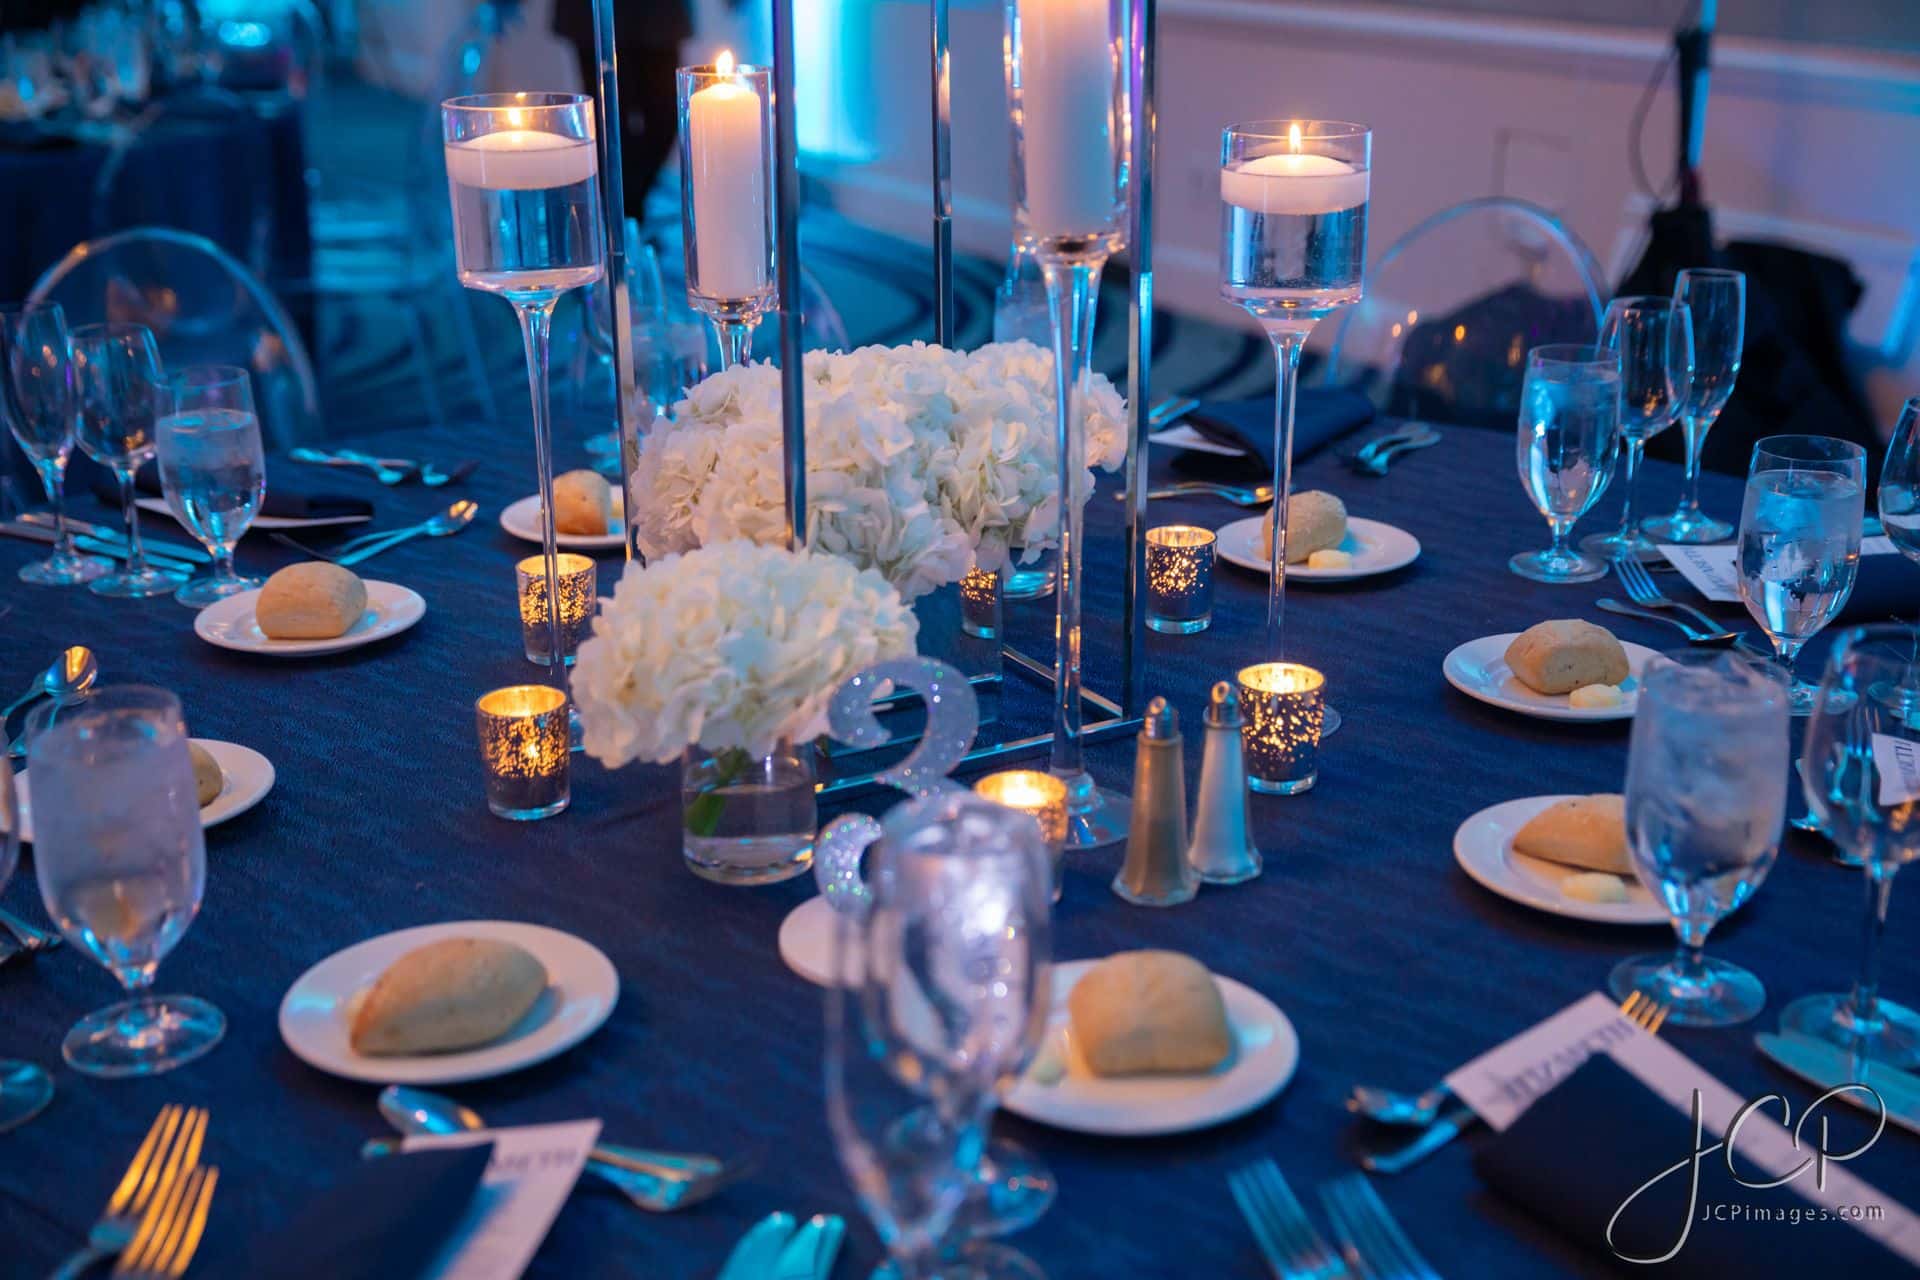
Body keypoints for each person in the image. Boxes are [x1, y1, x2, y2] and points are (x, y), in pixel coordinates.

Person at [552, 0, 692, 221]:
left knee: (665, 115)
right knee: (608, 119)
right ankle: (626, 216)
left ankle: (629, 211)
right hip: (593, 12)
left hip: (659, 12)